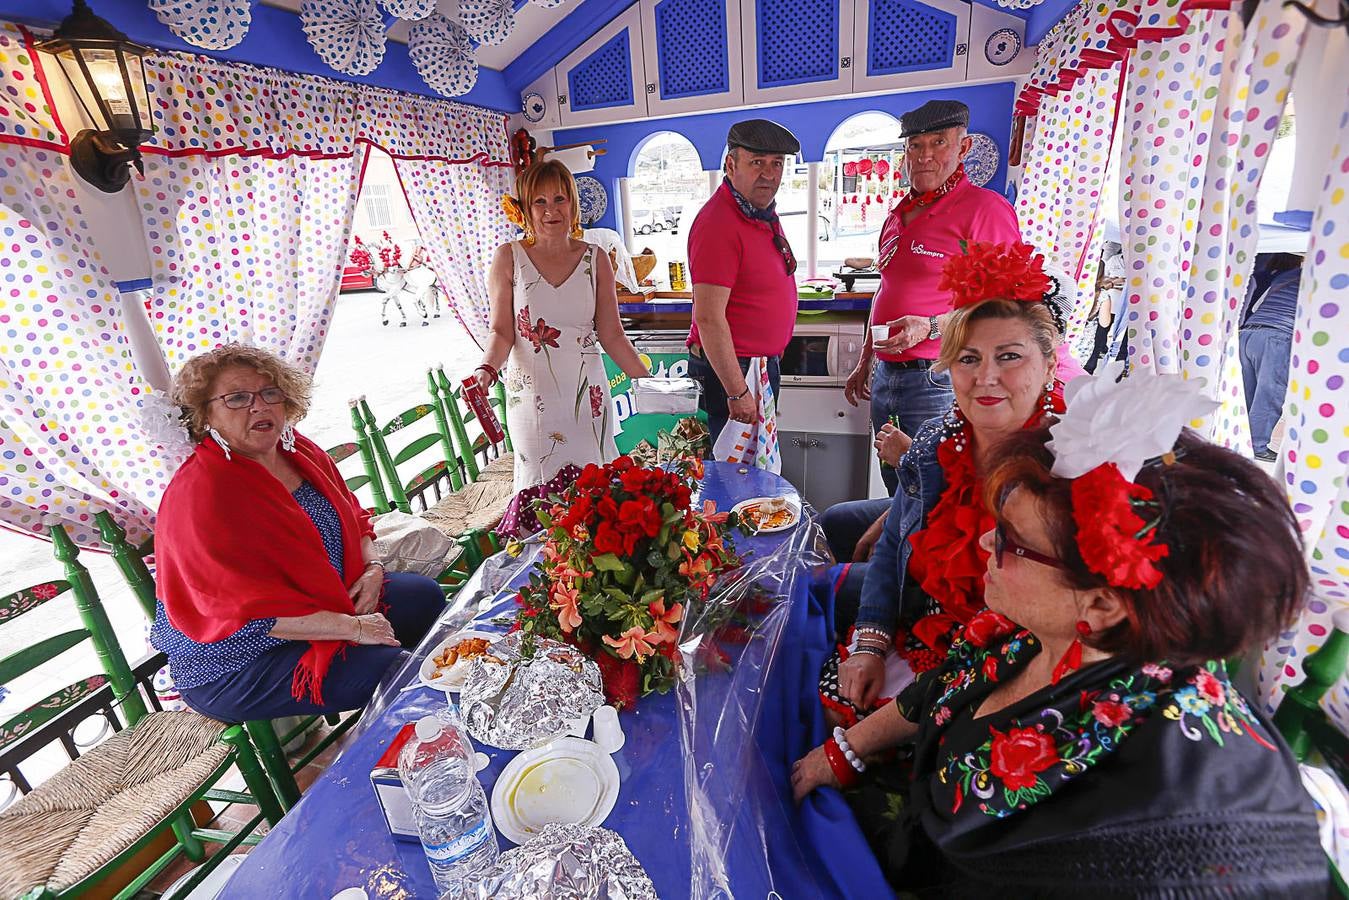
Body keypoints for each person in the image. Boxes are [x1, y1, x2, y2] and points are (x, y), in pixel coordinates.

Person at [793, 373, 1326, 897]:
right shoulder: (1029, 631)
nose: (983, 542)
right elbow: (940, 688)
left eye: (1009, 539)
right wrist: (843, 753)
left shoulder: (1155, 834)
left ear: (1101, 601)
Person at [819, 242, 1068, 725]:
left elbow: (1032, 644)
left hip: (993, 668)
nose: (985, 378)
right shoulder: (939, 438)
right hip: (920, 615)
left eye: (1010, 356)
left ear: (1050, 366)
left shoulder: (1064, 470)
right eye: (968, 358)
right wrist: (870, 641)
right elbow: (896, 545)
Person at [151, 345, 445, 723]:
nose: (260, 407)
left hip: (321, 603)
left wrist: (372, 571)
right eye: (238, 398)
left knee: (422, 596)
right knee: (388, 670)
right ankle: (420, 740)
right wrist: (353, 628)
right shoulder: (200, 492)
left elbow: (353, 516)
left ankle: (433, 696)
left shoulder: (296, 450)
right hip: (237, 656)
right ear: (205, 415)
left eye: (270, 393)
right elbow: (233, 613)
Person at [845, 100, 1022, 495]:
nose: (924, 156)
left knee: (933, 490)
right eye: (915, 145)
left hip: (936, 377)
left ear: (963, 147)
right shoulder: (899, 213)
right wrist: (866, 358)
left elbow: (1005, 303)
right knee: (896, 486)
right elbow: (887, 287)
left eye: (938, 142)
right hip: (887, 376)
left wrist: (930, 326)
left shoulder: (985, 210)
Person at [477, 159, 650, 536]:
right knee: (540, 502)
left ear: (572, 203)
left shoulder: (595, 259)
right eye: (539, 202)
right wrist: (486, 370)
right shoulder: (509, 258)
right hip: (532, 400)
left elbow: (613, 335)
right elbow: (502, 332)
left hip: (589, 398)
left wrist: (648, 381)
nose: (550, 210)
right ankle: (546, 584)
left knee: (596, 497)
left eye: (559, 199)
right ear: (525, 208)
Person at [686, 118, 801, 443]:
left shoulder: (757, 210)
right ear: (731, 164)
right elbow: (708, 317)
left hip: (755, 369)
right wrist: (737, 392)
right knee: (733, 479)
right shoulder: (718, 222)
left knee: (754, 473)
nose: (769, 173)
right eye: (757, 163)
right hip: (732, 373)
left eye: (776, 164)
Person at [1240, 253, 1302, 461]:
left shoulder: (1287, 276)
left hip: (1248, 334)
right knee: (1269, 394)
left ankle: (1241, 442)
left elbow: (1256, 306)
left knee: (1246, 394)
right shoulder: (1321, 279)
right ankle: (1257, 445)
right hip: (1277, 337)